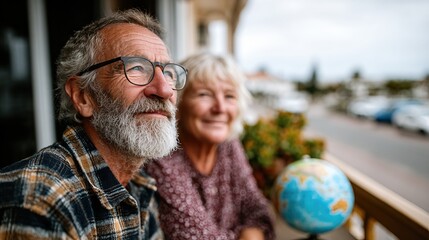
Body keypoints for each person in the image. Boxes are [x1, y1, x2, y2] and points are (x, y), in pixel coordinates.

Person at [0, 9, 187, 239]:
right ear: (82, 96)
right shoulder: (41, 198)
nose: (165, 89)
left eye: (168, 72)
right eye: (137, 68)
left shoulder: (140, 183)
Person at [145, 51, 275, 240]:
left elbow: (258, 211)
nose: (220, 108)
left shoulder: (228, 145)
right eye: (204, 94)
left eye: (229, 96)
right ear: (178, 102)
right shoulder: (162, 157)